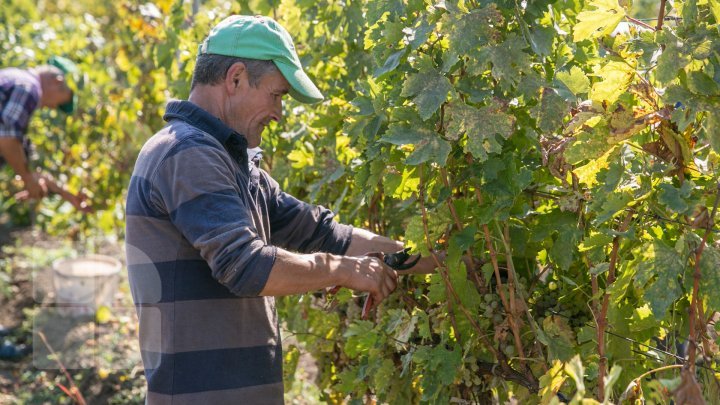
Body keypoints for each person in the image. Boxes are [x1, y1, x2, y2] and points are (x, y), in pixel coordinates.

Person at [125, 15, 438, 403]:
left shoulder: (233, 164)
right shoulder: (187, 152)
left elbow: (325, 233)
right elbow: (244, 266)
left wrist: (436, 260)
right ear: (235, 78)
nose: (279, 114)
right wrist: (343, 270)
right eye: (276, 95)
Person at [0, 57, 90, 212]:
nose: (53, 107)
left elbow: (21, 153)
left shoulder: (13, 79)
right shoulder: (28, 88)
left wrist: (65, 193)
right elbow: (7, 139)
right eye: (60, 102)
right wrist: (27, 179)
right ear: (57, 81)